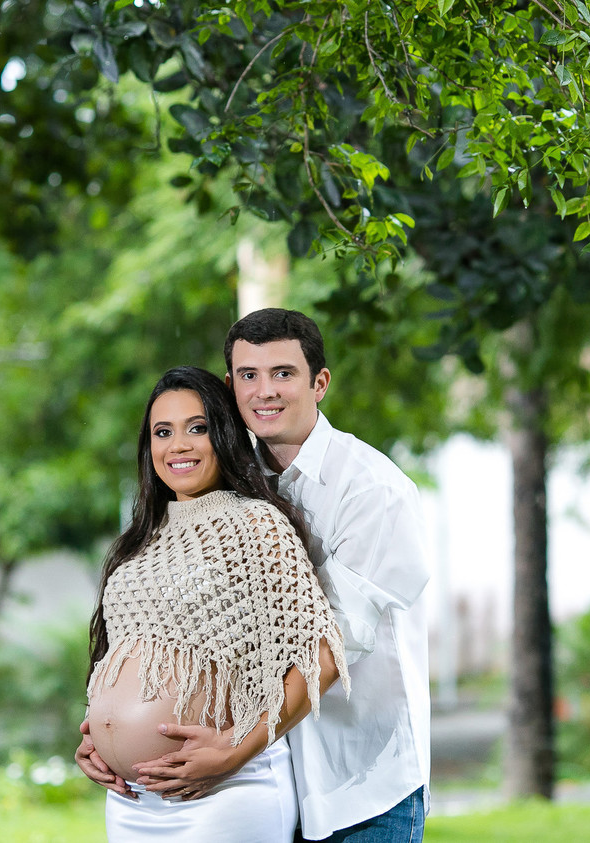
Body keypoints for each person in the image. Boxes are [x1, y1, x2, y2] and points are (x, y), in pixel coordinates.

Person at [132, 309, 432, 842]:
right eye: (248, 375)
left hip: (361, 782)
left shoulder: (373, 491)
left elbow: (333, 644)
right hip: (267, 780)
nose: (264, 391)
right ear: (229, 386)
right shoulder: (226, 483)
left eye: (283, 373)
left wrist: (233, 749)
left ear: (319, 384)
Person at [78, 366, 349, 842]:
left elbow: (320, 658)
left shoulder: (256, 524)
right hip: (131, 802)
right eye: (163, 432)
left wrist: (233, 751)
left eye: (196, 428)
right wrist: (97, 735)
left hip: (225, 793)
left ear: (223, 435)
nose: (177, 445)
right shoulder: (138, 543)